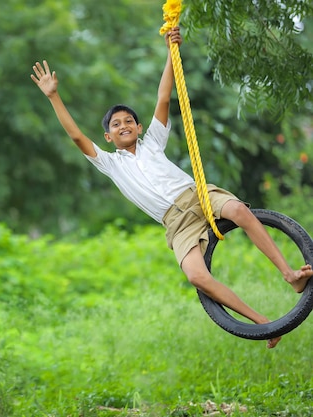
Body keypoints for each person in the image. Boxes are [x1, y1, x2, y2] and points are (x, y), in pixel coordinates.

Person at [30, 26, 313, 349]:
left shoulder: (152, 141)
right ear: (108, 137)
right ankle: (263, 323)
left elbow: (164, 95)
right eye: (115, 124)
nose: (123, 126)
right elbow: (77, 136)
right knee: (196, 276)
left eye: (127, 121)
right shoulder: (111, 163)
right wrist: (53, 95)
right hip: (175, 222)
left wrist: (171, 52)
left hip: (195, 195)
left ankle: (290, 274)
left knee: (239, 210)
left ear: (138, 127)